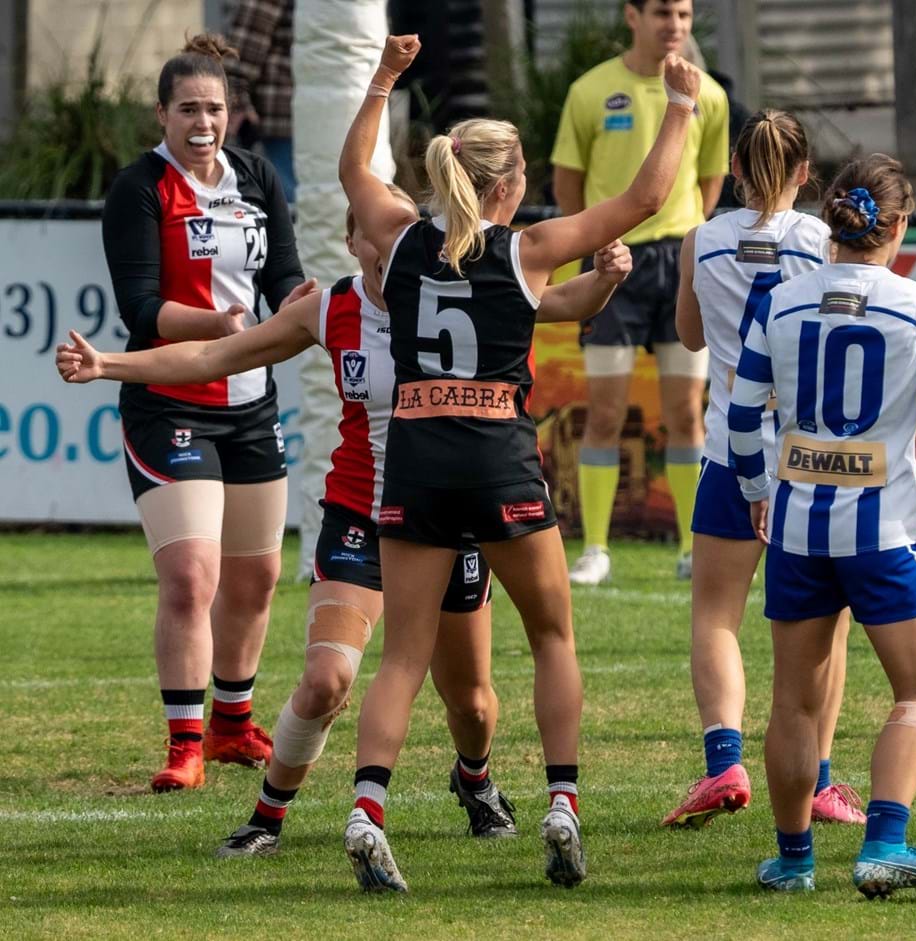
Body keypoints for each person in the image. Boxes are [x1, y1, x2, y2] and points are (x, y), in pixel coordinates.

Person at [59, 192, 633, 851]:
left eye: (402, 236)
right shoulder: (330, 308)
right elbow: (215, 357)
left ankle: (474, 776)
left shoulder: (468, 288)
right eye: (377, 237)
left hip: (445, 512)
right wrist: (109, 365)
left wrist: (605, 278)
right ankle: (266, 818)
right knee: (325, 679)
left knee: (471, 701)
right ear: (354, 242)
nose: (391, 249)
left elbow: (561, 302)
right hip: (363, 512)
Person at [335, 34, 702, 892]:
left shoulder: (399, 239)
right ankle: (562, 804)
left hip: (417, 456)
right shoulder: (525, 249)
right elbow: (648, 197)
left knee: (403, 656)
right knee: (551, 636)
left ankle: (366, 809)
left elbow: (354, 169)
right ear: (503, 187)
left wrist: (385, 78)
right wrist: (682, 104)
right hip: (498, 454)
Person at [729, 154, 916, 897]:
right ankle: (885, 845)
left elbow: (742, 414)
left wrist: (755, 491)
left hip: (798, 530)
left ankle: (793, 861)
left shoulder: (779, 301)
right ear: (897, 225)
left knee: (793, 705)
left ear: (831, 219)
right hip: (884, 534)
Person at [99, 33, 313, 793]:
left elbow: (281, 273)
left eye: (214, 109)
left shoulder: (257, 176)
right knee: (192, 576)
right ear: (161, 114)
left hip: (251, 405)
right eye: (188, 109)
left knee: (257, 579)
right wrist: (219, 326)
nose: (203, 122)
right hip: (169, 404)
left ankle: (231, 725)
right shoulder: (139, 188)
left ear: (232, 113)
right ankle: (185, 742)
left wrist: (304, 302)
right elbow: (140, 308)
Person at [666, 110, 862, 830]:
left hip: (732, 446)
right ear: (805, 173)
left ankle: (725, 762)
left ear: (736, 170)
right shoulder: (824, 241)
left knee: (716, 615)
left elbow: (689, 335)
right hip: (810, 456)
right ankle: (822, 780)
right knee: (826, 624)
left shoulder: (702, 238)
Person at [551, 0, 730, 583]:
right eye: (661, 12)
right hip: (612, 261)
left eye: (683, 14)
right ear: (632, 16)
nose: (674, 25)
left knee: (686, 413)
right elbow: (568, 186)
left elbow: (711, 182)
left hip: (680, 265)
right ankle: (595, 550)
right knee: (605, 413)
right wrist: (594, 242)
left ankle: (693, 547)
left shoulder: (710, 94)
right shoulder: (590, 90)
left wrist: (687, 242)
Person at [225, 0, 296, 203]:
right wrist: (238, 102)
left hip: (320, 120)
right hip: (280, 122)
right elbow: (243, 46)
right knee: (289, 204)